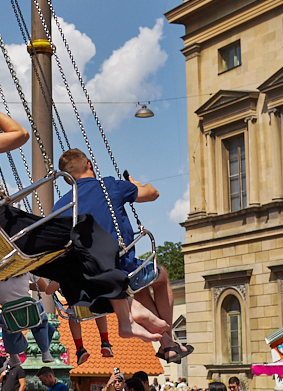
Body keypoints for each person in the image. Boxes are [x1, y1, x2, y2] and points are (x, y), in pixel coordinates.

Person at [0, 85, 160, 343]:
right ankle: (125, 316)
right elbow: (20, 134)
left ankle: (127, 312)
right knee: (88, 229)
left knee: (65, 264)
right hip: (11, 232)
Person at [54, 149, 192, 361]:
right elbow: (153, 193)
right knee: (161, 276)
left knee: (141, 292)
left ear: (67, 179)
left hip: (90, 281)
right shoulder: (109, 186)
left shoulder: (61, 206)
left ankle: (167, 345)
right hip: (124, 268)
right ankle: (169, 340)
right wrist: (135, 185)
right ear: (90, 164)